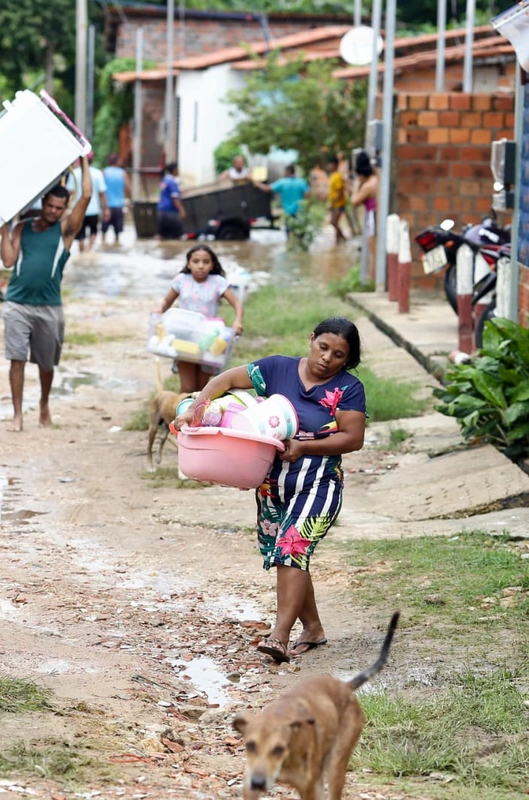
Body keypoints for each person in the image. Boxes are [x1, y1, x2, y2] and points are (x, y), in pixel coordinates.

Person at [175, 317, 367, 663]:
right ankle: (313, 629)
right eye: (323, 347)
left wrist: (304, 447)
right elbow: (226, 379)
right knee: (282, 552)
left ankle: (279, 636)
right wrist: (196, 409)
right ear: (311, 339)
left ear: (346, 360)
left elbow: (352, 438)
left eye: (339, 355)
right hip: (270, 483)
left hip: (318, 483)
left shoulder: (348, 388)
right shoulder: (276, 368)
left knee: (292, 548)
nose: (327, 358)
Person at [0, 157, 93, 432]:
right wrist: (3, 230)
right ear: (43, 204)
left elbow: (86, 196)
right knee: (16, 359)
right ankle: (17, 414)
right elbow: (7, 261)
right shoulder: (22, 227)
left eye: (59, 208)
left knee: (46, 364)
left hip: (49, 307)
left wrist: (83, 161)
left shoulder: (65, 231)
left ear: (64, 209)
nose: (53, 211)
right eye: (49, 206)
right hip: (16, 304)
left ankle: (43, 404)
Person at [156, 244, 245, 392]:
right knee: (187, 388)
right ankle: (182, 414)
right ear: (189, 264)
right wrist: (159, 309)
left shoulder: (218, 282)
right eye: (196, 261)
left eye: (206, 262)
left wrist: (238, 321)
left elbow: (237, 303)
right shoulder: (181, 280)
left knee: (203, 390)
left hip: (208, 339)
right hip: (184, 337)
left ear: (212, 265)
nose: (201, 266)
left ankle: (199, 415)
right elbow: (166, 302)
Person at [66, 158, 108, 252]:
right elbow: (102, 193)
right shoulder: (98, 173)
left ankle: (82, 251)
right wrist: (106, 208)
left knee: (80, 233)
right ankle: (89, 250)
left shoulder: (75, 173)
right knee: (93, 231)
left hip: (79, 210)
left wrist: (66, 206)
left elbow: (70, 191)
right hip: (94, 209)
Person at [265, 165, 310, 238]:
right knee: (299, 234)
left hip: (288, 213)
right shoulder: (301, 182)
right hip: (300, 212)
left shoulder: (283, 182)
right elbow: (307, 196)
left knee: (289, 234)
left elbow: (267, 189)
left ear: (287, 171)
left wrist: (254, 181)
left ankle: (290, 246)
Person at [102, 153, 131, 245]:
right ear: (117, 161)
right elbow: (128, 188)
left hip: (107, 207)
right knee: (117, 232)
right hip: (118, 206)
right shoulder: (122, 173)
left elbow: (100, 190)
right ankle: (116, 244)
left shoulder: (104, 172)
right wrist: (130, 200)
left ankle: (103, 245)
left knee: (103, 231)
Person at [351, 151, 378, 240]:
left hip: (372, 218)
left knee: (372, 243)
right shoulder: (375, 179)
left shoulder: (368, 186)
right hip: (375, 217)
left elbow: (354, 202)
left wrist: (356, 185)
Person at [157, 162, 186, 240]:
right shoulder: (172, 182)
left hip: (161, 211)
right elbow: (175, 199)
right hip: (171, 212)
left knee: (162, 235)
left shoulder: (165, 180)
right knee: (177, 237)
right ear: (174, 170)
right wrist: (182, 211)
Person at [325, 155, 348, 245]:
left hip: (338, 204)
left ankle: (343, 239)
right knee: (334, 222)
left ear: (334, 165)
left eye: (329, 164)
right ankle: (338, 241)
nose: (328, 166)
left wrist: (332, 202)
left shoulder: (338, 176)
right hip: (334, 203)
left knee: (334, 222)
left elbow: (340, 192)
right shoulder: (333, 176)